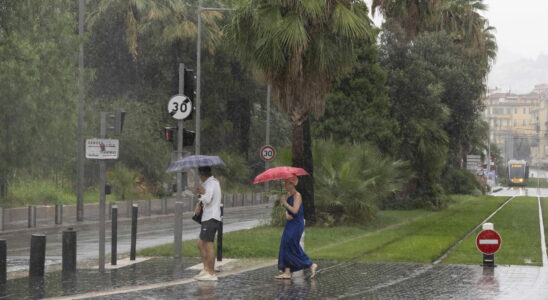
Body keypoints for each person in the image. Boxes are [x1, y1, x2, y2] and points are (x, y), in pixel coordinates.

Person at [276, 176, 317, 279]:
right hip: (290, 223)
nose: (285, 185)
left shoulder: (297, 195)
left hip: (297, 224)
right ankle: (287, 271)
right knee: (285, 244)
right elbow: (288, 211)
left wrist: (285, 203)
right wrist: (286, 214)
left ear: (292, 184)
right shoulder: (288, 194)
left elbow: (295, 211)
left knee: (292, 245)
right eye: (284, 183)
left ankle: (310, 264)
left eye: (286, 183)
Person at [193, 166, 222, 281]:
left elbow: (208, 199)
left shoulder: (211, 184)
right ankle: (205, 269)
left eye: (200, 176)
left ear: (203, 175)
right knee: (200, 243)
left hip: (211, 217)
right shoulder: (211, 183)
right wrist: (199, 200)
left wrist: (202, 194)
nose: (200, 178)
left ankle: (211, 272)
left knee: (208, 245)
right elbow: (205, 197)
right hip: (208, 217)